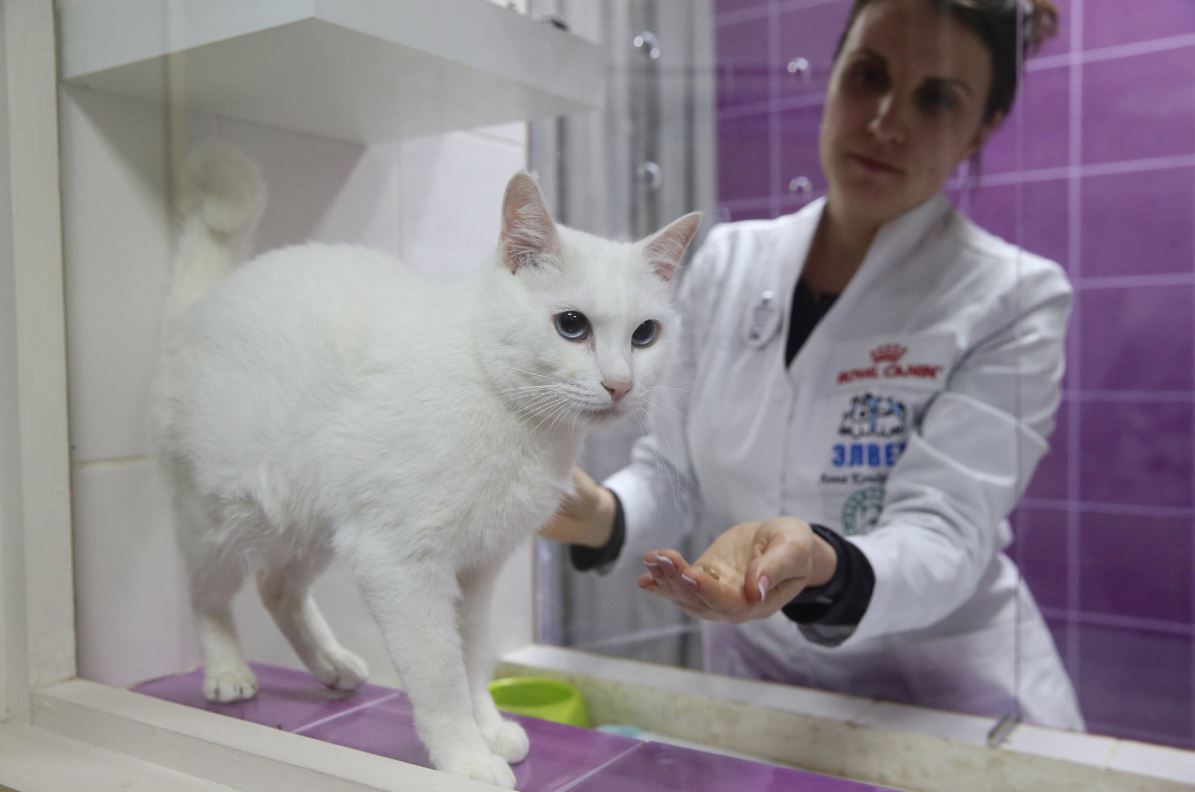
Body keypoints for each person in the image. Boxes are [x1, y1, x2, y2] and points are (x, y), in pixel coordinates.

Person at [544, 0, 1084, 730]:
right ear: (831, 74)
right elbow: (674, 471)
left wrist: (822, 563)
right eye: (867, 76)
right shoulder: (728, 263)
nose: (885, 121)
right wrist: (602, 516)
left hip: (945, 705)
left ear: (980, 129)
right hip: (766, 691)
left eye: (935, 99)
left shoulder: (1012, 298)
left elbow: (944, 533)